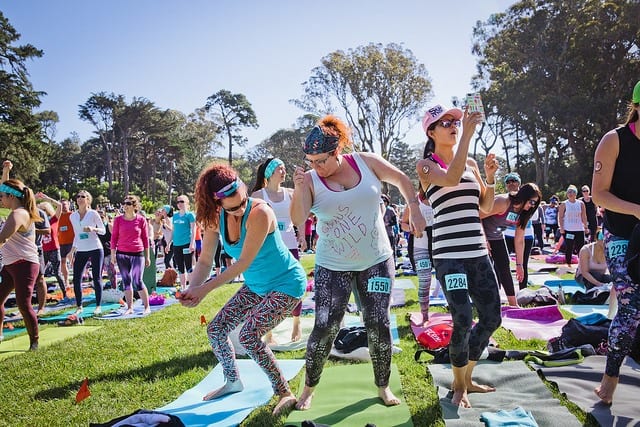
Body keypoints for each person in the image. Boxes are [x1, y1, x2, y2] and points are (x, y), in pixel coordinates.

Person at [290, 115, 426, 410]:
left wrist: (413, 208)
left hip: (376, 261)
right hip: (332, 265)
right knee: (325, 326)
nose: (317, 167)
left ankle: (383, 386)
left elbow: (402, 179)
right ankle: (309, 389)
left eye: (321, 160)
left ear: (337, 151)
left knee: (378, 323)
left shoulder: (366, 162)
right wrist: (300, 187)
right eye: (311, 161)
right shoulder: (311, 179)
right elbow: (298, 219)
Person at [179, 163, 306, 416]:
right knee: (215, 329)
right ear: (217, 204)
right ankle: (233, 381)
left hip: (287, 284)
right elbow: (205, 261)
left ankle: (284, 392)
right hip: (258, 285)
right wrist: (190, 289)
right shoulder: (215, 218)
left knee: (248, 335)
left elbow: (243, 263)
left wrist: (204, 291)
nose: (239, 209)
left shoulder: (260, 212)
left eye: (242, 202)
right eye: (232, 207)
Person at [416, 104, 501, 408]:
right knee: (463, 319)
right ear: (431, 131)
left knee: (492, 318)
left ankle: (468, 378)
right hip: (449, 256)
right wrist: (467, 135)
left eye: (456, 121)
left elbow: (486, 207)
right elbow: (450, 179)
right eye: (446, 123)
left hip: (478, 254)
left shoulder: (472, 165)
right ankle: (457, 385)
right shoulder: (425, 166)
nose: (453, 125)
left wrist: (489, 178)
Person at [592, 80, 640, 405]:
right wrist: (637, 210)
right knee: (632, 307)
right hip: (621, 233)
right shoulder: (615, 140)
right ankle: (610, 379)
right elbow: (599, 194)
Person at [251, 157, 307, 343]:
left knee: (296, 285)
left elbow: (300, 215)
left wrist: (302, 236)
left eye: (284, 168)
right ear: (270, 173)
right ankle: (268, 332)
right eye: (279, 169)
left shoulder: (291, 193)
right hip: (269, 248)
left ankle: (296, 322)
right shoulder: (258, 196)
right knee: (269, 288)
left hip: (290, 246)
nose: (284, 172)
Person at [482, 183, 543, 306]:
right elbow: (477, 215)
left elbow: (519, 239)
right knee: (486, 270)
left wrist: (519, 265)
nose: (532, 206)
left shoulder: (524, 213)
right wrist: (483, 239)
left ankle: (513, 304)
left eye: (535, 204)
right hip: (480, 234)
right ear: (524, 196)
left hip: (497, 237)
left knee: (504, 268)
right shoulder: (503, 202)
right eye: (531, 202)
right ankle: (486, 303)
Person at [0, 178, 41, 350]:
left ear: (11, 196)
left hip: (24, 264)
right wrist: (6, 172)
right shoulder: (17, 211)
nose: (0, 199)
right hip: (10, 264)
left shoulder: (19, 214)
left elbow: (3, 238)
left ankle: (34, 342)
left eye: (2, 196)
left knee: (23, 304)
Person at [110, 195, 151, 315]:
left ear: (134, 206)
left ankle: (146, 306)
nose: (125, 206)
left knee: (138, 281)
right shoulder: (118, 220)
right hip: (122, 254)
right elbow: (114, 238)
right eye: (124, 203)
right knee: (126, 281)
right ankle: (130, 307)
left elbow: (145, 239)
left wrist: (147, 256)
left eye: (128, 204)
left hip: (137, 253)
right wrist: (113, 254)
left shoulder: (141, 220)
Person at [69, 190, 105, 314]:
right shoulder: (72, 216)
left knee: (96, 277)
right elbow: (76, 235)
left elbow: (103, 231)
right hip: (81, 249)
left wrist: (92, 229)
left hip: (95, 248)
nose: (80, 198)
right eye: (78, 196)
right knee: (76, 278)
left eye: (83, 197)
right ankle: (79, 306)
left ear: (88, 200)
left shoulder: (93, 214)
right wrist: (72, 250)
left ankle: (98, 305)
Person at [39, 201, 71, 302]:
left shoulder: (54, 219)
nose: (42, 212)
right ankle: (41, 296)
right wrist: (34, 198)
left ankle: (65, 293)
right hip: (43, 250)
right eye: (41, 210)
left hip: (54, 249)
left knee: (57, 273)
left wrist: (47, 198)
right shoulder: (38, 222)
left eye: (44, 210)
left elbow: (59, 206)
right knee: (40, 274)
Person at [168, 195, 195, 290]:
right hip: (176, 245)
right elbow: (173, 231)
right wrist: (168, 243)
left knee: (188, 266)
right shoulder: (175, 216)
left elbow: (193, 230)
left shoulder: (190, 215)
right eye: (178, 202)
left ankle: (191, 287)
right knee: (180, 266)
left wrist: (192, 243)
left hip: (186, 243)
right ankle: (183, 287)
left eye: (182, 201)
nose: (179, 204)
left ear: (187, 203)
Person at [558, 185, 588, 267]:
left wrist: (586, 226)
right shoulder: (564, 204)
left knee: (581, 248)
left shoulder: (580, 203)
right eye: (569, 192)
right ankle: (568, 263)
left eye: (572, 192)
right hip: (568, 229)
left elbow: (584, 216)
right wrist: (562, 228)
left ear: (576, 194)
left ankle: (582, 265)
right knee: (569, 247)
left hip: (579, 229)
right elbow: (560, 217)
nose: (570, 194)